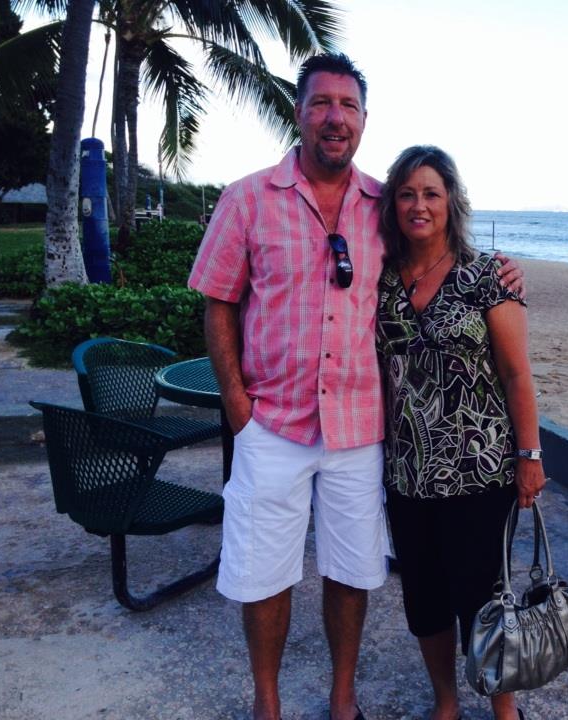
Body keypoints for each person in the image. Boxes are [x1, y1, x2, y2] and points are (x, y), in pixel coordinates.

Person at [188, 54, 523, 720]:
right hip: (273, 423)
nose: (334, 117)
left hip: (358, 430)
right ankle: (268, 703)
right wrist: (236, 404)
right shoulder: (247, 198)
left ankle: (344, 701)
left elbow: (438, 258)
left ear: (364, 120)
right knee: (264, 573)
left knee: (350, 571)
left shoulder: (384, 206)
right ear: (298, 112)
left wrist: (498, 273)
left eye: (348, 105)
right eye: (321, 103)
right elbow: (219, 301)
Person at [377, 146, 547, 720]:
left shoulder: (487, 275)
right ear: (393, 204)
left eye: (431, 193)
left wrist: (530, 454)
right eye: (406, 193)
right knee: (424, 600)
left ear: (451, 202)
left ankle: (505, 710)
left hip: (480, 470)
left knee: (483, 598)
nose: (418, 204)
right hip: (406, 472)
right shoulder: (380, 280)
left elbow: (517, 372)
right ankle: (445, 703)